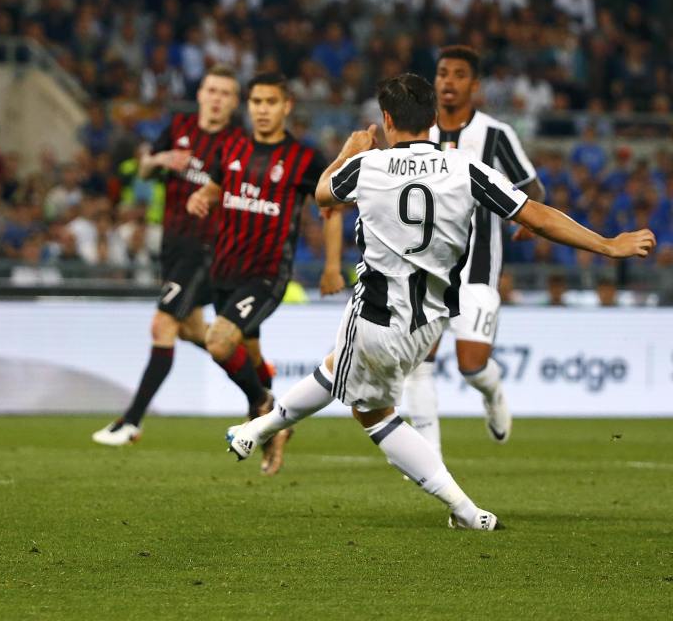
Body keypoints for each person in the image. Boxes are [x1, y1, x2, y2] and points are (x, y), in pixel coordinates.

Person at [229, 73, 654, 529]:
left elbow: (320, 194)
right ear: (433, 120)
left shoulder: (366, 168)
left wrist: (349, 151)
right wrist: (608, 244)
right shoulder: (466, 167)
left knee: (371, 414)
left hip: (377, 314)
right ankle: (258, 429)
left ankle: (467, 510)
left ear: (387, 120)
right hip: (429, 322)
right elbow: (537, 215)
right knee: (338, 370)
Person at [188, 71, 345, 475]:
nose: (261, 109)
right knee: (249, 355)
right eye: (256, 102)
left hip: (266, 274)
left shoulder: (304, 159)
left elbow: (330, 210)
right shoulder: (232, 146)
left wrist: (331, 266)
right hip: (223, 270)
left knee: (219, 342)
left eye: (270, 102)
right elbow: (215, 185)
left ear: (286, 106)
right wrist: (202, 196)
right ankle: (273, 429)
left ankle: (263, 409)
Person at [91, 65, 247, 447]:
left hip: (208, 248)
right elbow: (143, 170)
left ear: (233, 102)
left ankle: (131, 421)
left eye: (225, 93)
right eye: (211, 90)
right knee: (196, 331)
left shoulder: (238, 144)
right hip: (174, 246)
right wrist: (161, 160)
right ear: (200, 95)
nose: (216, 98)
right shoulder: (179, 128)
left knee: (162, 325)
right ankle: (259, 387)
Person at [402, 46, 546, 455]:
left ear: (475, 84)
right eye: (443, 73)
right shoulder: (419, 133)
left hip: (477, 267)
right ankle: (431, 462)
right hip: (425, 265)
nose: (448, 81)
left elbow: (532, 189)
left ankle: (493, 391)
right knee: (418, 365)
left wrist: (525, 222)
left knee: (471, 366)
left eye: (459, 74)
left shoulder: (496, 134)